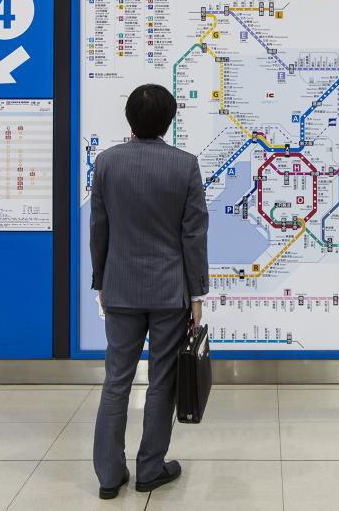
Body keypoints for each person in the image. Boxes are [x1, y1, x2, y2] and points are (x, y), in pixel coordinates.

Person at [90, 83, 209, 500]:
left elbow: (99, 229)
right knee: (162, 381)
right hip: (168, 292)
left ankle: (108, 475)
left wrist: (101, 281)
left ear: (129, 119)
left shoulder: (105, 163)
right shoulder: (185, 166)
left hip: (120, 288)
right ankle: (150, 468)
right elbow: (193, 236)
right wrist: (197, 296)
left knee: (116, 381)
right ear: (169, 120)